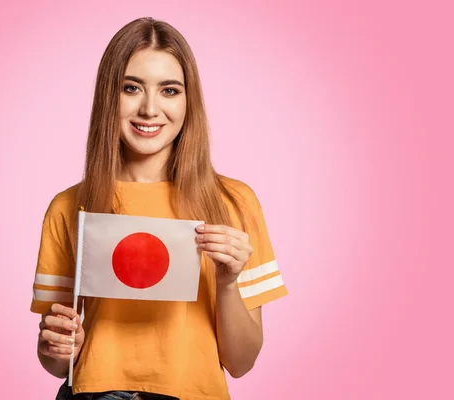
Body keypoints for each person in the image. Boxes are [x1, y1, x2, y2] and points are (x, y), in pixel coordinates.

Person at [30, 17, 288, 400]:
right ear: (108, 96)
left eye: (169, 90)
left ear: (189, 100)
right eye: (131, 88)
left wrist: (228, 282)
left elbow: (241, 362)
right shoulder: (69, 207)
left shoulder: (233, 203)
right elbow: (54, 360)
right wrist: (59, 345)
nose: (150, 109)